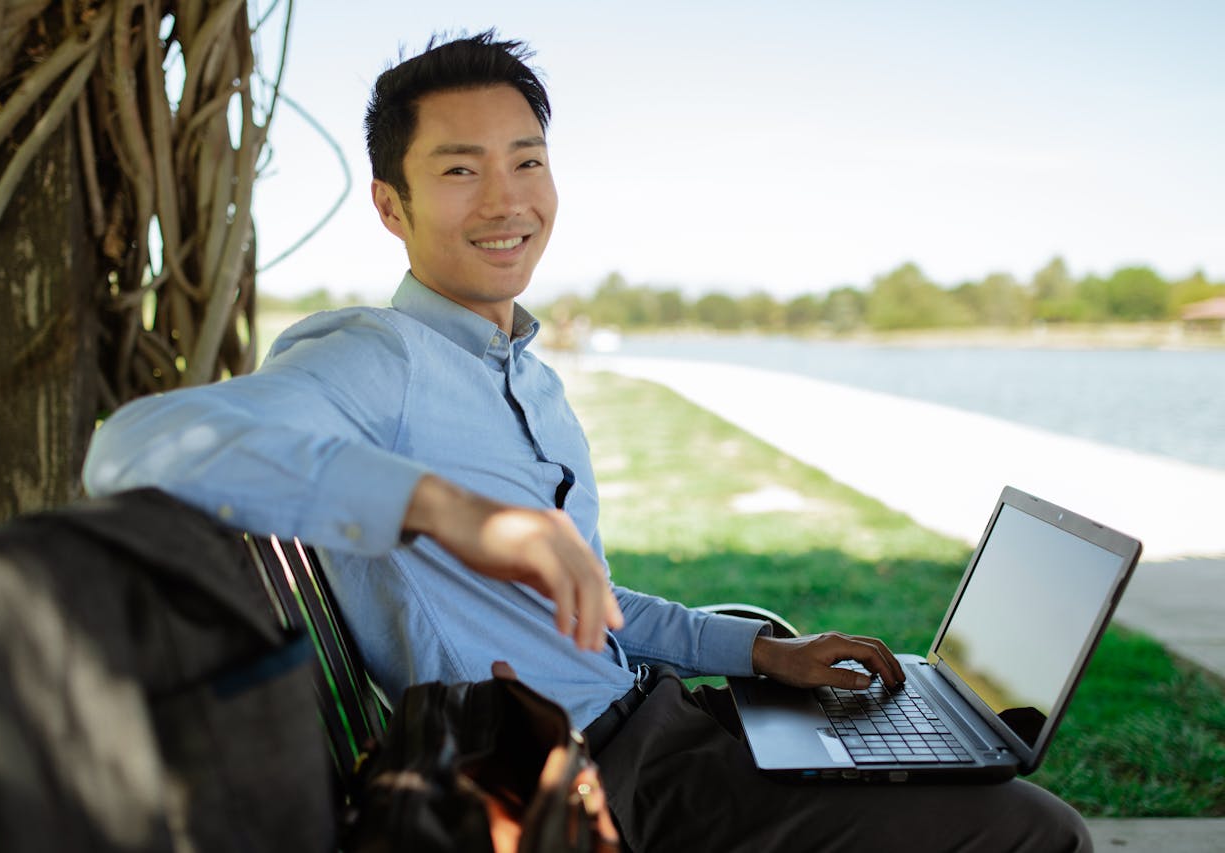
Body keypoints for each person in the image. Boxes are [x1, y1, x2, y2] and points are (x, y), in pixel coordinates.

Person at [83, 30, 1091, 852]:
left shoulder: (523, 368)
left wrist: (758, 650)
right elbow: (137, 446)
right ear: (389, 205)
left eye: (526, 161)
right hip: (594, 780)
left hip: (652, 723)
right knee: (1032, 833)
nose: (505, 198)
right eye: (458, 169)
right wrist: (447, 509)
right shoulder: (372, 360)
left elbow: (589, 609)